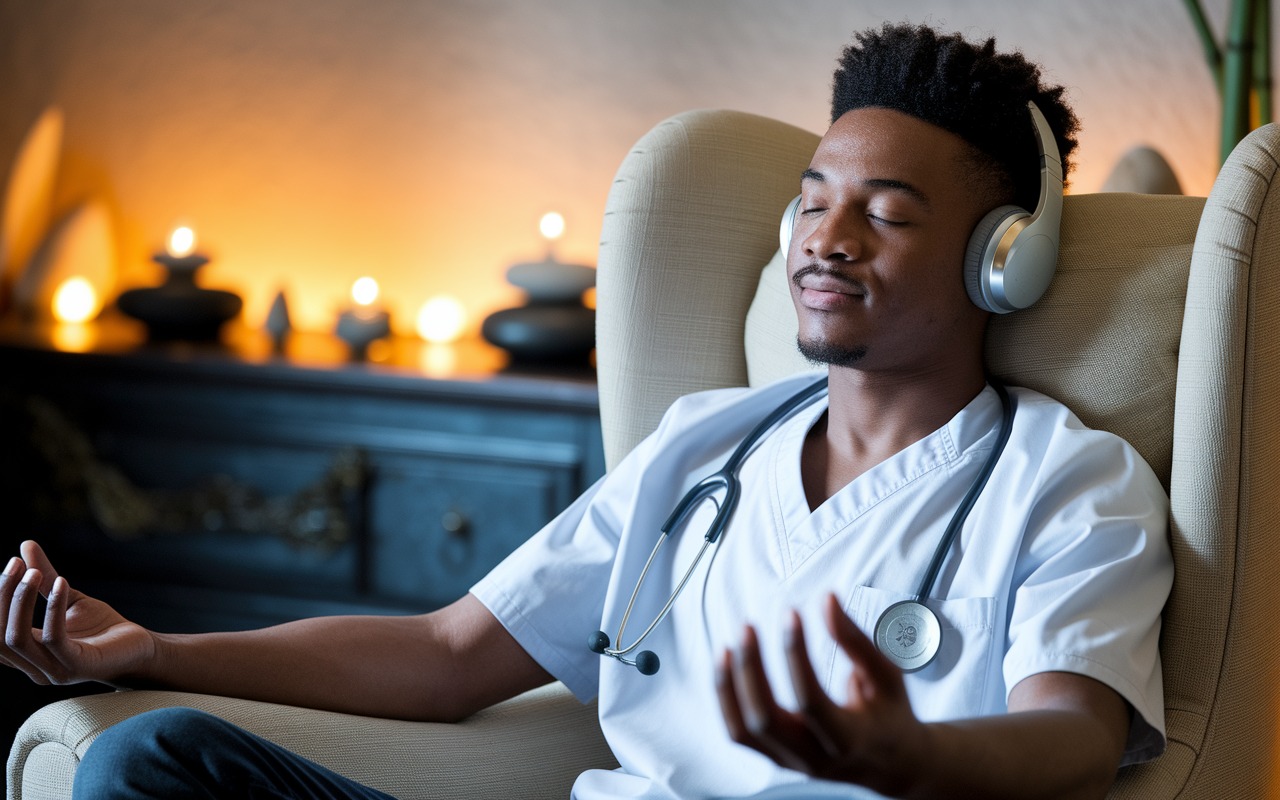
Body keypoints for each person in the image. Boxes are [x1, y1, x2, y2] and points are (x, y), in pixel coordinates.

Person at [0, 22, 1172, 800]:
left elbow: (1071, 735)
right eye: (812, 200)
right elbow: (449, 650)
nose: (826, 237)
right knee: (151, 760)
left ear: (996, 261)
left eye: (886, 212)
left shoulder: (1066, 483)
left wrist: (901, 751)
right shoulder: (707, 444)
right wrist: (151, 646)